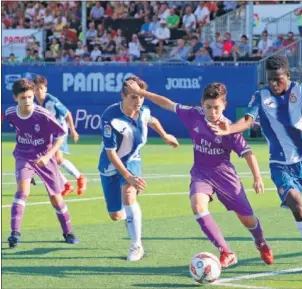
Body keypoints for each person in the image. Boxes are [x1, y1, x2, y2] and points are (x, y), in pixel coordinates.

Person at [209, 55, 302, 275]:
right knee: (298, 206)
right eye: (270, 79)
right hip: (280, 165)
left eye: (278, 79)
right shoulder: (260, 96)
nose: (274, 84)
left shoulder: (301, 90)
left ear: (287, 76)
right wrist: (228, 130)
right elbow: (248, 119)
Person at [124, 81, 274, 268]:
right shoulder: (193, 115)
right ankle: (225, 251)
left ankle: (260, 242)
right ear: (202, 104)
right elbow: (166, 103)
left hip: (225, 175)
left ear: (224, 106)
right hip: (201, 173)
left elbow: (247, 153)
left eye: (217, 108)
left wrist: (257, 178)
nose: (212, 112)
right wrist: (141, 93)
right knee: (197, 205)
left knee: (247, 219)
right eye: (208, 107)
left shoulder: (229, 128)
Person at [98, 76, 180, 261]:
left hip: (132, 161)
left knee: (128, 194)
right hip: (110, 166)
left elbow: (152, 120)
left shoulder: (143, 110)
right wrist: (127, 175)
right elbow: (111, 153)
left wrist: (165, 135)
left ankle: (136, 246)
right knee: (115, 215)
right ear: (123, 96)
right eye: (133, 97)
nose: (138, 101)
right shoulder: (110, 117)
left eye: (141, 97)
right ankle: (129, 217)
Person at [5, 78, 80, 248]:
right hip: (23, 156)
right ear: (15, 98)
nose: (28, 101)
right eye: (23, 98)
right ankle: (14, 233)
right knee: (22, 191)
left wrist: (48, 157)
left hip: (44, 157)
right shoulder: (10, 113)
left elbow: (61, 135)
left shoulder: (43, 114)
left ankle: (68, 232)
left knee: (55, 197)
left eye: (30, 97)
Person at [32, 75, 88, 196]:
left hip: (60, 131)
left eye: (41, 88)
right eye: (36, 89)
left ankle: (79, 178)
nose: (38, 91)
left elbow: (67, 113)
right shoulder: (36, 103)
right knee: (51, 161)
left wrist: (73, 130)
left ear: (45, 89)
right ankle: (67, 184)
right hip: (50, 133)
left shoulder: (51, 101)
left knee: (56, 159)